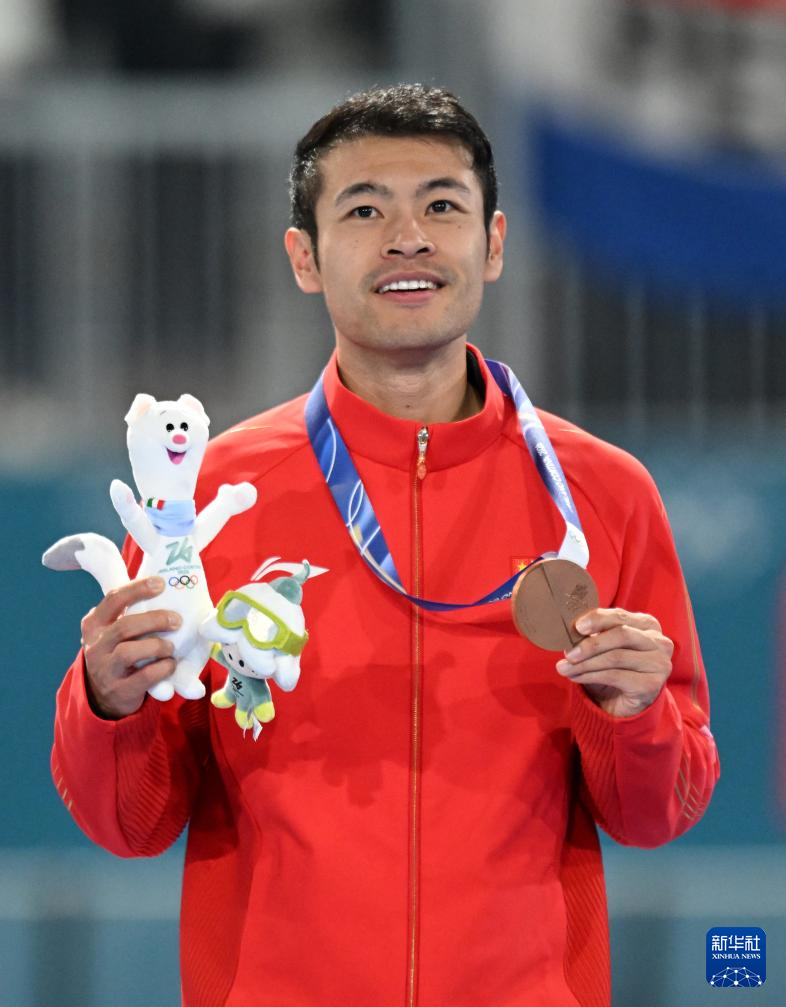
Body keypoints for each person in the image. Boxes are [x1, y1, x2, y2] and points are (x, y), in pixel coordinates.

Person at [51, 84, 719, 1007]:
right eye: (365, 211)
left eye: (442, 205)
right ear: (304, 257)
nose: (408, 238)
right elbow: (131, 823)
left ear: (493, 244)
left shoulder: (604, 495)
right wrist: (107, 701)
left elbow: (657, 814)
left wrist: (635, 715)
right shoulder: (207, 496)